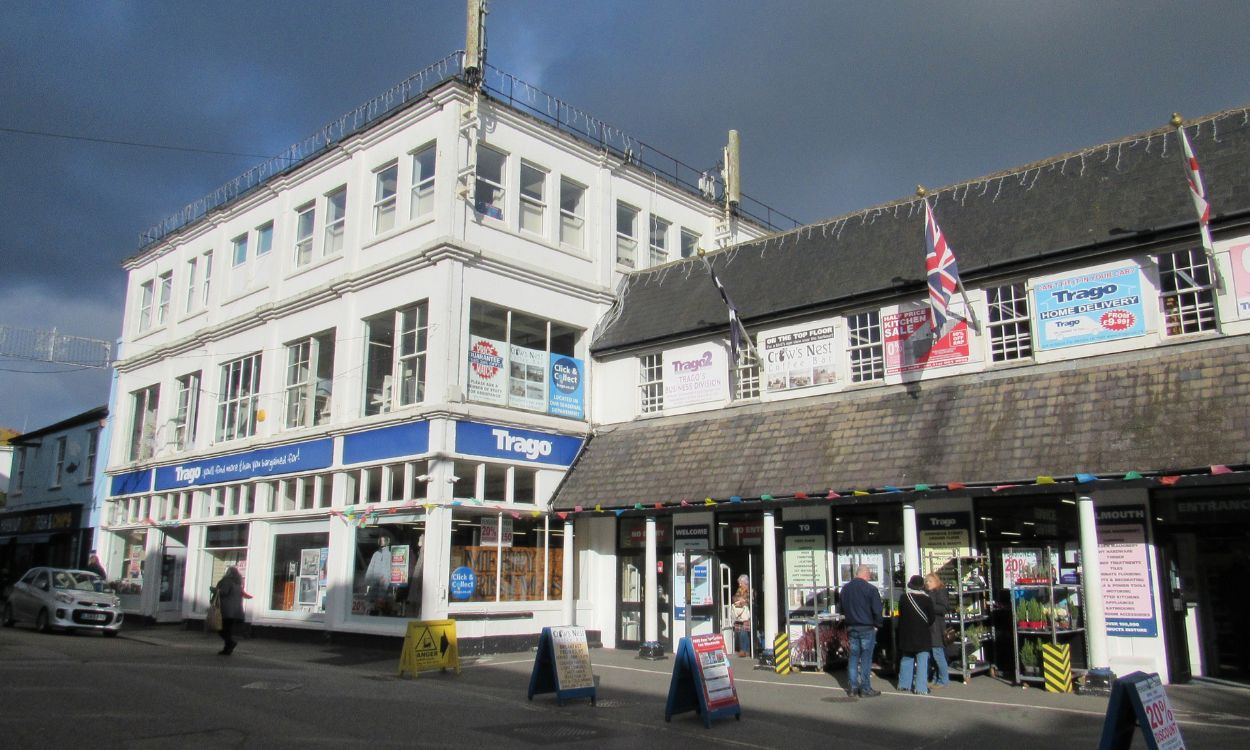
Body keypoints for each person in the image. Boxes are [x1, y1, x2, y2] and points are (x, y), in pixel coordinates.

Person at [841, 564, 884, 697]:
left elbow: (842, 607)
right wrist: (877, 625)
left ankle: (853, 687)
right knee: (866, 657)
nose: (870, 578)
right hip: (866, 626)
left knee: (853, 656)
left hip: (852, 626)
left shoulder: (845, 589)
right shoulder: (870, 589)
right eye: (869, 575)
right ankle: (865, 688)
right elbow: (877, 610)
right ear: (866, 574)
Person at [896, 575, 935, 694]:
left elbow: (900, 615)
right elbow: (932, 618)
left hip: (906, 634)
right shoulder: (927, 599)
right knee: (922, 660)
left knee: (907, 658)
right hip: (922, 634)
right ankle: (921, 688)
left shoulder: (904, 598)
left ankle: (903, 684)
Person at [213, 566, 252, 656]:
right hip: (235, 611)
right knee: (227, 629)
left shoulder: (226, 581)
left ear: (228, 573)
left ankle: (230, 643)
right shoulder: (238, 583)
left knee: (221, 629)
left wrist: (214, 590)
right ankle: (227, 648)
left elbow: (223, 592)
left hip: (226, 610)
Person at [925, 573, 951, 689]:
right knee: (933, 656)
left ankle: (943, 680)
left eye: (930, 581)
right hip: (930, 628)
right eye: (926, 581)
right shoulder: (928, 593)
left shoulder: (940, 591)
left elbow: (944, 608)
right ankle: (936, 678)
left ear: (936, 582)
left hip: (937, 628)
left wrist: (928, 606)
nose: (927, 583)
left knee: (938, 654)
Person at [731, 574, 753, 657]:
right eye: (739, 583)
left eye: (741, 583)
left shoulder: (750, 590)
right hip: (739, 615)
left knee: (744, 632)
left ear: (745, 583)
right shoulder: (739, 590)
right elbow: (734, 598)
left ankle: (744, 650)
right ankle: (745, 650)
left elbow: (750, 600)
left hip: (746, 614)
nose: (739, 585)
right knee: (740, 633)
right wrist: (738, 599)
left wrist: (743, 601)